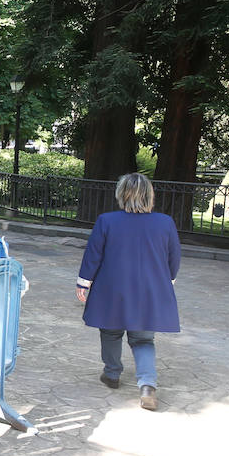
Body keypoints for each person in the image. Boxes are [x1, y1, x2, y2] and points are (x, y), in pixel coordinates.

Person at [75, 172, 181, 412]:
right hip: (149, 290)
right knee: (143, 339)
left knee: (110, 333)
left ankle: (112, 374)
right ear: (149, 196)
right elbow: (173, 257)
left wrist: (84, 283)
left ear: (121, 195)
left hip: (112, 289)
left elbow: (93, 255)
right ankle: (147, 385)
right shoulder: (165, 222)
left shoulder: (107, 220)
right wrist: (168, 281)